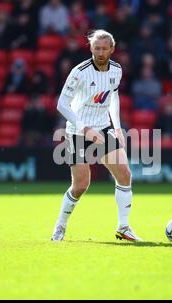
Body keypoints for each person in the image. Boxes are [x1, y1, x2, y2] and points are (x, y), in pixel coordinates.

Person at [51, 30, 142, 242]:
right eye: (96, 48)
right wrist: (85, 129)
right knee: (81, 185)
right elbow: (62, 105)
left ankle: (123, 227)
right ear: (91, 48)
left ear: (112, 49)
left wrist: (117, 127)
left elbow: (114, 96)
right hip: (77, 131)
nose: (100, 52)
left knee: (125, 175)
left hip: (102, 128)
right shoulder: (79, 71)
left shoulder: (117, 70)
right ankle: (60, 226)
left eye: (104, 48)